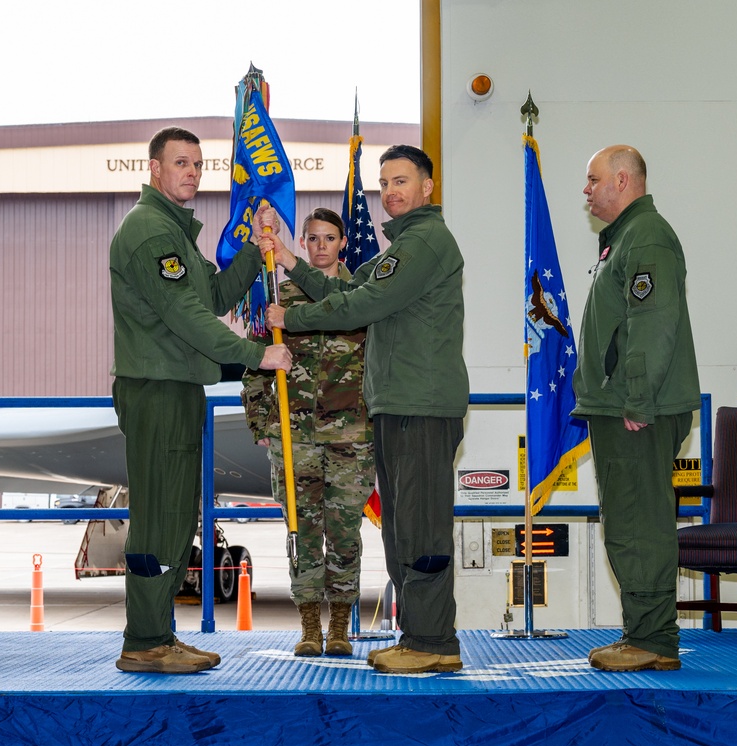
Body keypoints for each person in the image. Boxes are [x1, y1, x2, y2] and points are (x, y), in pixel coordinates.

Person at [261, 145, 468, 675]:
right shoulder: (400, 247)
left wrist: (295, 315)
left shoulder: (424, 242)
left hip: (420, 405)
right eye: (384, 183)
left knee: (420, 528)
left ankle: (434, 642)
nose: (392, 192)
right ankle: (417, 635)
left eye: (402, 181)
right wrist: (288, 260)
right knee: (401, 528)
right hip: (397, 404)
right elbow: (348, 286)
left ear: (428, 187)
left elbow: (362, 304)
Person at [109, 126, 291, 674]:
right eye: (180, 163)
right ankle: (144, 640)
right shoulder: (150, 233)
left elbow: (210, 295)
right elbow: (186, 316)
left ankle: (157, 633)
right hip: (157, 388)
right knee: (162, 514)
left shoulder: (173, 232)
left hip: (176, 385)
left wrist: (259, 251)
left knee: (176, 513)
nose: (191, 172)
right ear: (155, 170)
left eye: (197, 164)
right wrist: (253, 355)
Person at [572, 144, 700, 672]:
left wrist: (639, 400)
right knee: (626, 520)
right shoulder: (623, 238)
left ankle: (653, 641)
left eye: (593, 178)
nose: (586, 189)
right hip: (620, 404)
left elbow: (653, 323)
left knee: (639, 522)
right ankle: (643, 633)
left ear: (623, 180)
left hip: (636, 408)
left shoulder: (645, 236)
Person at [241, 208, 375, 658]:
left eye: (329, 238)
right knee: (302, 531)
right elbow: (256, 363)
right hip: (295, 438)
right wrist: (262, 423)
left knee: (344, 532)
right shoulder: (281, 299)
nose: (320, 247)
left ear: (342, 243)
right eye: (312, 238)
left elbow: (382, 367)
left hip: (350, 439)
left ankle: (338, 626)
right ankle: (308, 628)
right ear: (302, 241)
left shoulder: (363, 296)